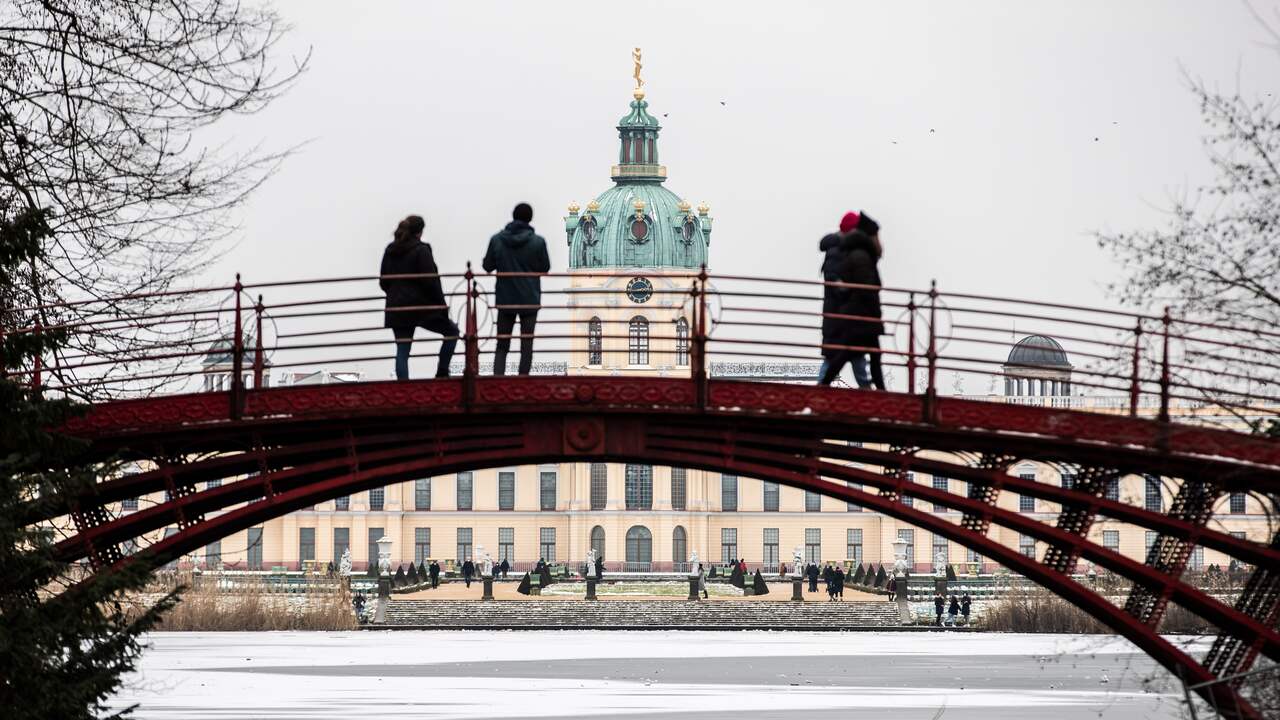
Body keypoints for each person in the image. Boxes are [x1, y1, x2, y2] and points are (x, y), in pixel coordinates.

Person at [380, 215, 459, 379]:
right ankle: (442, 372)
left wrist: (396, 295)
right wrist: (442, 308)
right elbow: (431, 282)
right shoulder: (421, 250)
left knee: (402, 349)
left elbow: (383, 282)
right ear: (420, 232)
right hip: (420, 307)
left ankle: (403, 387)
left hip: (397, 307)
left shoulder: (390, 251)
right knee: (452, 331)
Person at [483, 203, 551, 376]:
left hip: (505, 299)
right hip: (529, 298)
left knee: (502, 344)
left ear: (513, 216)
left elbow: (487, 266)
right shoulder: (538, 242)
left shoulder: (497, 240)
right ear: (530, 218)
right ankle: (523, 379)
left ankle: (498, 378)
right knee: (527, 344)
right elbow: (545, 267)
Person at [818, 212, 885, 389]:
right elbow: (836, 281)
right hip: (842, 314)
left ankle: (867, 389)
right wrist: (847, 293)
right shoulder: (842, 251)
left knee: (851, 355)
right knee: (843, 355)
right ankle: (871, 391)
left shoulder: (844, 250)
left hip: (845, 314)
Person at [818, 211, 857, 383]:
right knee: (850, 354)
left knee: (841, 356)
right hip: (838, 313)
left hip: (836, 314)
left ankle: (820, 388)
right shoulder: (838, 249)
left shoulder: (837, 248)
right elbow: (833, 279)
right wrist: (849, 292)